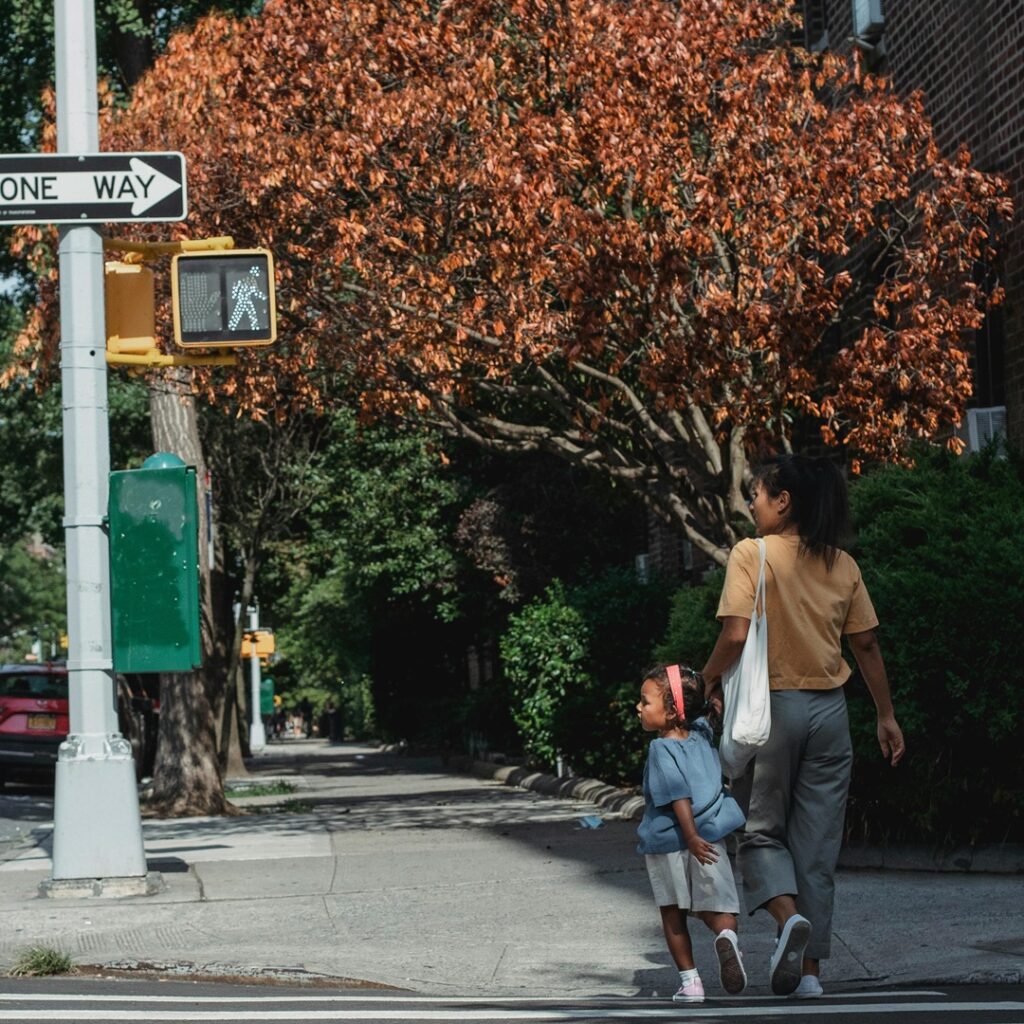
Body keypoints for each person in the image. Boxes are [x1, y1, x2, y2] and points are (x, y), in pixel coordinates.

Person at [701, 454, 906, 1000]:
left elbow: (736, 634)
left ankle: (788, 920)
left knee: (761, 833)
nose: (751, 504)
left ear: (782, 501)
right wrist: (885, 715)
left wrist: (707, 677)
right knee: (817, 847)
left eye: (757, 495)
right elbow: (865, 644)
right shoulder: (843, 564)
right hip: (831, 715)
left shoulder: (752, 554)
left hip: (773, 712)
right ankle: (811, 975)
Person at [636, 663, 748, 1003]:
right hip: (711, 838)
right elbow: (712, 702)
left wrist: (689, 836)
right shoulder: (702, 735)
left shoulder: (661, 749)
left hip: (674, 840)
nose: (639, 708)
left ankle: (691, 983)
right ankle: (726, 936)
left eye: (645, 701)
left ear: (671, 712)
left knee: (673, 914)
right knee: (719, 905)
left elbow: (677, 794)